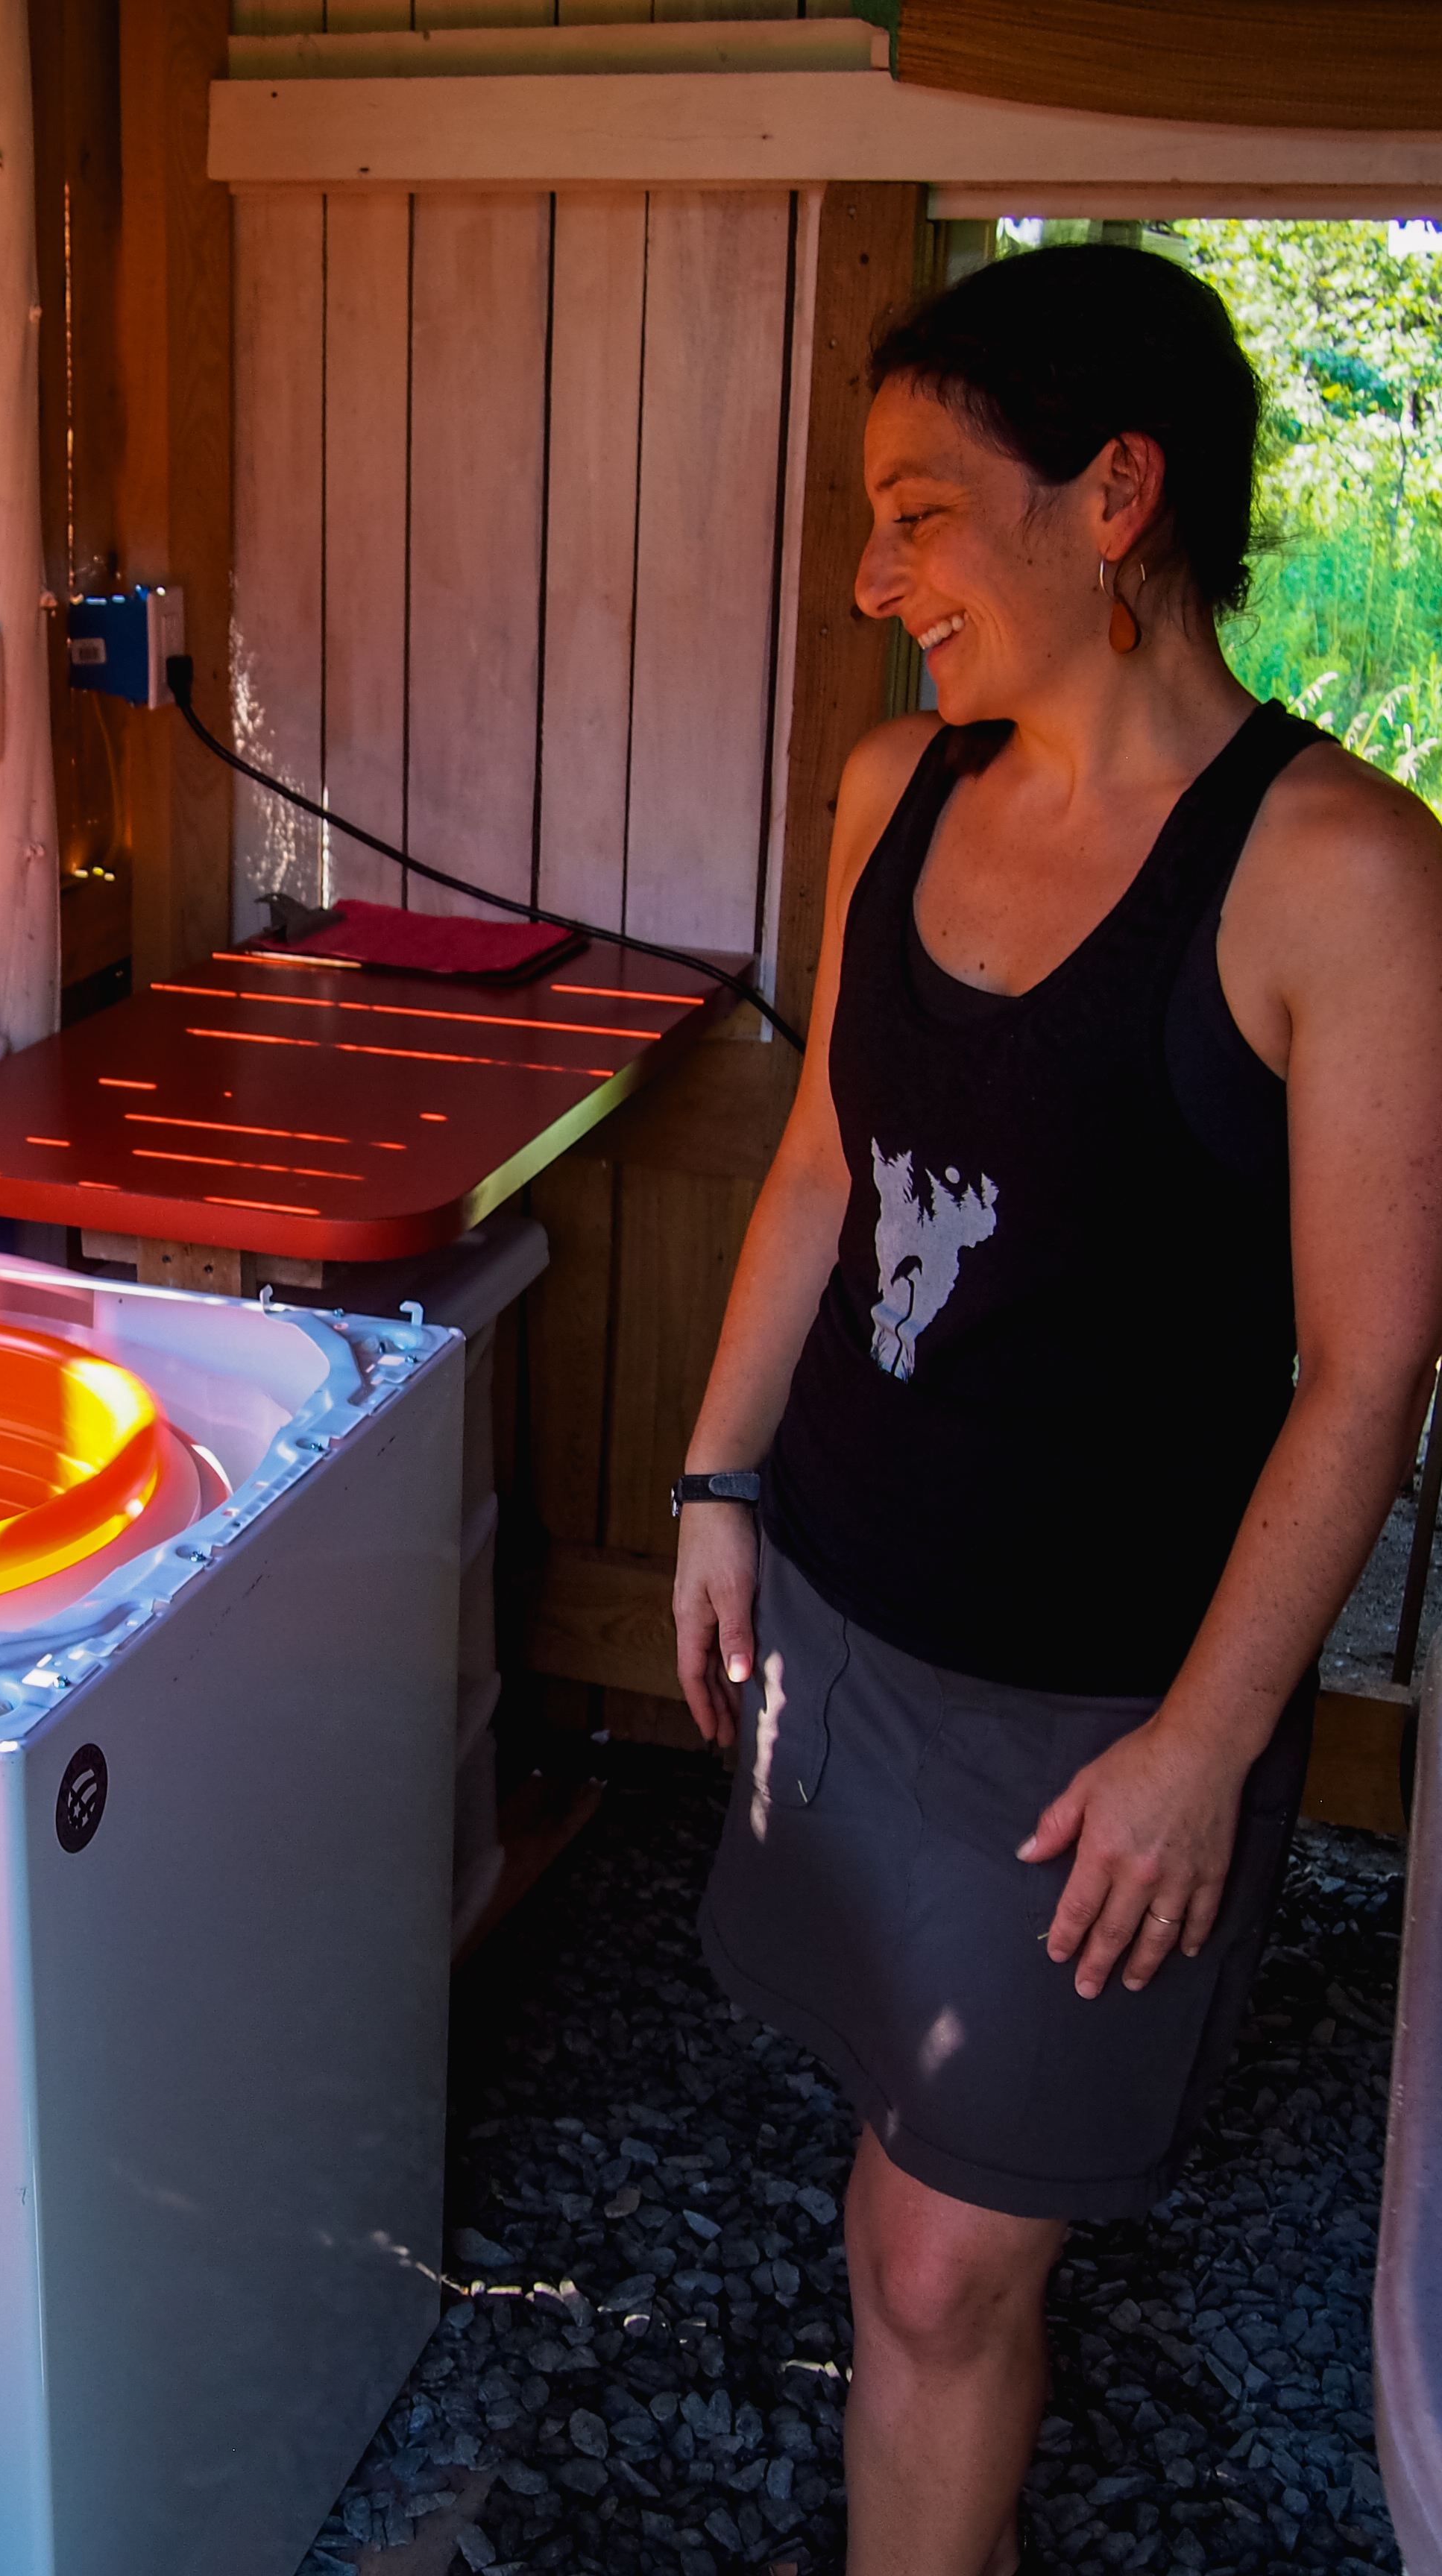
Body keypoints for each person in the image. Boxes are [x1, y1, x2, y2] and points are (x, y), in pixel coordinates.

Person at [670, 243, 1442, 2576]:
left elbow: (1366, 1369)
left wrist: (1208, 1748)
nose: (874, 573)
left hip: (1099, 1716)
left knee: (938, 2259)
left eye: (920, 510)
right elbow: (822, 1161)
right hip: (846, 1603)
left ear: (1118, 497)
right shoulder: (892, 786)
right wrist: (715, 1481)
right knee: (900, 2169)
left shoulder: (1348, 878)